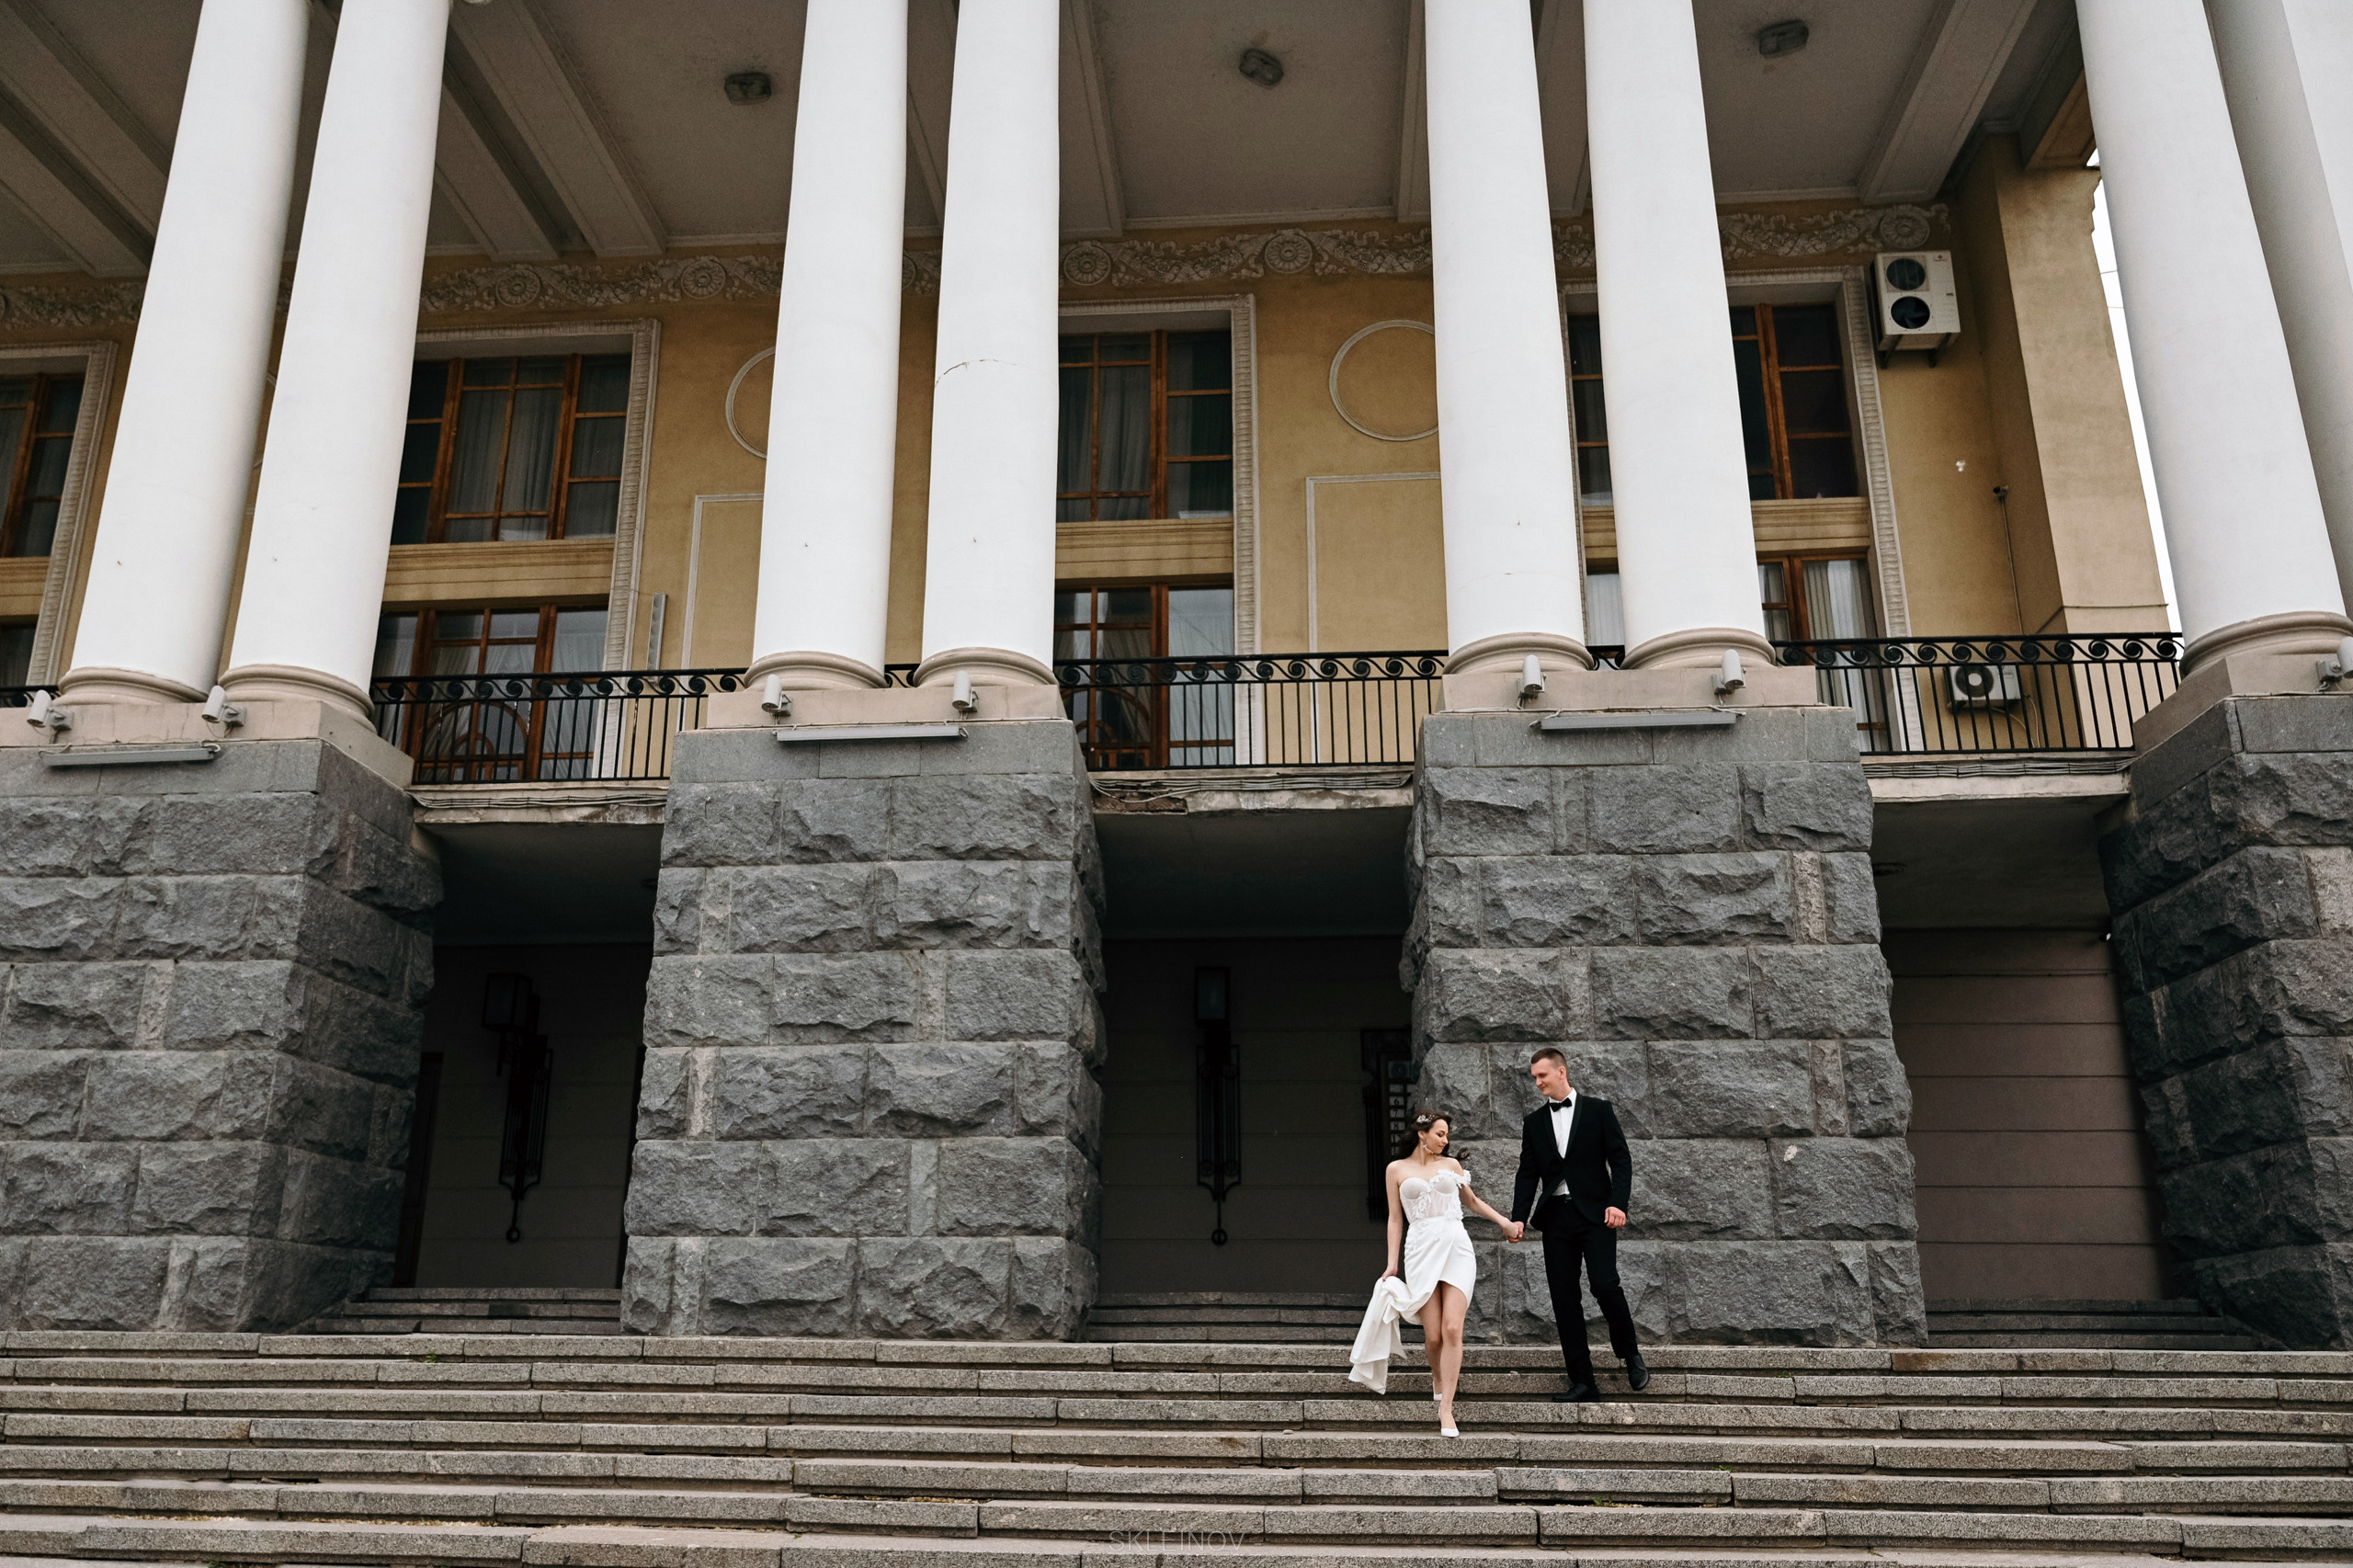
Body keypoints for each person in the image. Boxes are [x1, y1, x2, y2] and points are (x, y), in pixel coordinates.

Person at [1346, 1109, 1520, 1436]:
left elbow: (1473, 1202)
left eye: (1447, 1135)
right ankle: (1437, 1377)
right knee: (1434, 1336)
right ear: (1422, 1133)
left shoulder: (1451, 1166)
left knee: (1453, 1328)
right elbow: (1395, 1218)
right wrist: (1392, 1263)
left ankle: (1446, 1408)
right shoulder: (1395, 1169)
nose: (1446, 1140)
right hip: (1421, 1248)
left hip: (1456, 1247)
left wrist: (1505, 1223)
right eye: (1440, 1134)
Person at [1508, 1047, 1648, 1402]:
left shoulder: (1599, 1111)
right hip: (1556, 1218)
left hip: (1597, 1214)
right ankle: (1583, 1381)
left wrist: (1618, 1202)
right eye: (1534, 1077)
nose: (1537, 1082)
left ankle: (1630, 1352)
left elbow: (1621, 1159)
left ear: (1561, 1072)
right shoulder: (1533, 1122)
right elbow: (1527, 1174)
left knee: (1605, 1284)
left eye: (1542, 1075)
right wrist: (1518, 1217)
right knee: (1564, 1298)